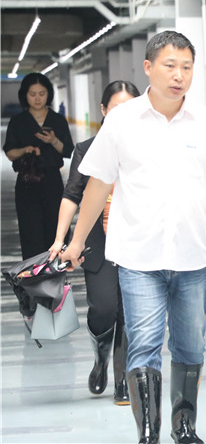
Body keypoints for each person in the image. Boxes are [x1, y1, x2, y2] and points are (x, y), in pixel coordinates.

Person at [60, 31, 206, 444]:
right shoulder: (121, 121)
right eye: (170, 66)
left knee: (190, 347)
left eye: (187, 67)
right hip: (138, 259)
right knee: (144, 345)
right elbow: (97, 185)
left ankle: (184, 427)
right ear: (148, 68)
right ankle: (149, 432)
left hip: (192, 258)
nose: (179, 75)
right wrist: (76, 242)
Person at [49, 80, 140, 406]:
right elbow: (72, 195)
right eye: (116, 108)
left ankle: (122, 380)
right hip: (98, 241)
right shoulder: (87, 149)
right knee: (104, 308)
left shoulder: (148, 146)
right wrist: (61, 239)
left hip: (138, 240)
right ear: (103, 110)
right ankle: (101, 357)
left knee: (130, 312)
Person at [3, 72, 74, 259]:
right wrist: (25, 150)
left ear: (48, 94)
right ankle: (33, 273)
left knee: (56, 229)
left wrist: (53, 140)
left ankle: (55, 270)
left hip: (52, 182)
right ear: (25, 95)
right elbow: (10, 152)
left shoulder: (57, 120)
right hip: (27, 183)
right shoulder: (18, 122)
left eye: (42, 94)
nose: (37, 98)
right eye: (32, 94)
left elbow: (68, 150)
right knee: (30, 232)